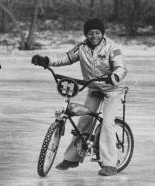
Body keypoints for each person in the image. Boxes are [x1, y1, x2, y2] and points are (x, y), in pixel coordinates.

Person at [31, 18, 127, 176]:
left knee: (107, 124)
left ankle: (110, 164)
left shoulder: (112, 47)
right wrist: (46, 61)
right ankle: (72, 158)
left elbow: (121, 67)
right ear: (86, 34)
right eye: (90, 33)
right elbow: (66, 58)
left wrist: (114, 77)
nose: (94, 36)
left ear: (102, 33)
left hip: (113, 90)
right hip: (94, 89)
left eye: (97, 32)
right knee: (83, 121)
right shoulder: (81, 48)